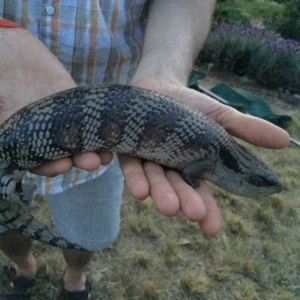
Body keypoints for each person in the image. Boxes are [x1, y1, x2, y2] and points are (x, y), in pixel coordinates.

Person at [0, 1, 289, 299]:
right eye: (256, 182)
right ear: (242, 174)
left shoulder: (216, 153)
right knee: (5, 214)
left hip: (89, 134)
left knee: (86, 232)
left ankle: (74, 277)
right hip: (15, 107)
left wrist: (166, 68)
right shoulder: (212, 158)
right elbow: (192, 169)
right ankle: (23, 266)